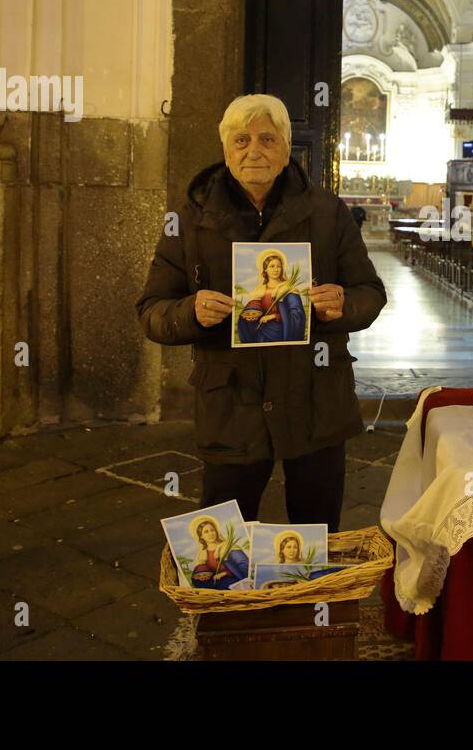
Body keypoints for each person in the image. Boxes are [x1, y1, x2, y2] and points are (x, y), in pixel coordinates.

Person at [136, 94, 386, 532]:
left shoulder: (328, 213)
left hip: (315, 398)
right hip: (232, 403)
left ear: (287, 148)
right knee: (225, 533)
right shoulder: (189, 220)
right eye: (242, 139)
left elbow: (370, 292)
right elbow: (152, 310)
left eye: (268, 138)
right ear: (226, 149)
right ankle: (229, 603)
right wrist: (191, 312)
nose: (254, 150)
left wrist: (344, 305)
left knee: (315, 534)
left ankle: (311, 601)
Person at [236, 250, 307, 344]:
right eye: (272, 266)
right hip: (263, 333)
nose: (276, 269)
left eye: (278, 266)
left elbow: (297, 314)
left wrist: (274, 316)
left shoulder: (288, 289)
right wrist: (250, 314)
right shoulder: (261, 289)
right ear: (265, 269)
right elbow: (255, 305)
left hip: (283, 332)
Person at [189, 517, 249, 590]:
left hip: (233, 580)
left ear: (216, 531)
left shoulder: (228, 547)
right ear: (201, 536)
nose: (210, 533)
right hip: (215, 582)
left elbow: (244, 565)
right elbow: (201, 571)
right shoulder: (202, 553)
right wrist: (202, 575)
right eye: (206, 532)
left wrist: (226, 573)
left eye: (212, 530)